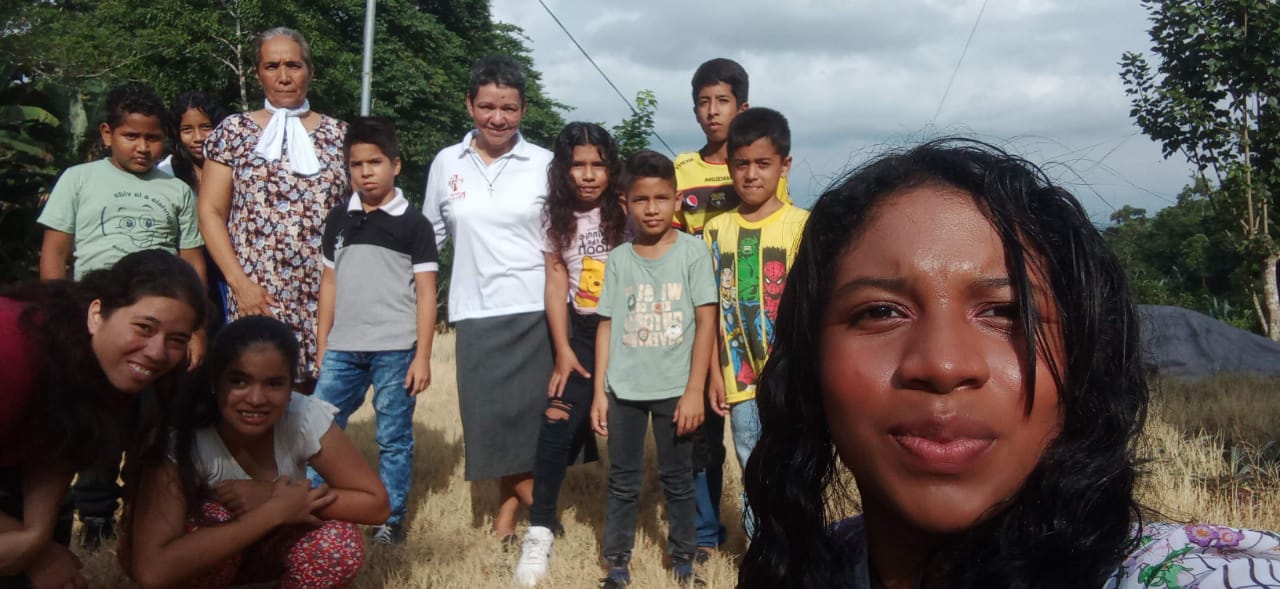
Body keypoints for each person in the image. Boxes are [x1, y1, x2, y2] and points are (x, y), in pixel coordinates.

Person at [737, 139, 1280, 589]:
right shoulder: (806, 568)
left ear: (1083, 360)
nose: (943, 365)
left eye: (1005, 312)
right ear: (810, 362)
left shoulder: (1189, 575)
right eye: (881, 311)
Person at [36, 82, 207, 549]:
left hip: (162, 330)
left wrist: (196, 329)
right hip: (98, 326)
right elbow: (55, 254)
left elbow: (192, 261)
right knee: (98, 422)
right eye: (132, 136)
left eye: (153, 138)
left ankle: (145, 513)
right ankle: (95, 515)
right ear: (108, 133)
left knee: (154, 423)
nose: (143, 147)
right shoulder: (79, 179)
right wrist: (58, 315)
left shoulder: (176, 190)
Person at [121, 316, 390, 589]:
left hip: (270, 553)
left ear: (291, 389)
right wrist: (273, 510)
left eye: (274, 384)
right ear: (214, 383)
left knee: (339, 541)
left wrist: (271, 495)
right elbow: (152, 571)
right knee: (211, 518)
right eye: (239, 382)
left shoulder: (303, 416)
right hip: (205, 563)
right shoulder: (181, 439)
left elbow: (376, 504)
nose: (256, 399)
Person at [0, 250, 206, 588]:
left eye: (177, 339)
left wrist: (36, 535)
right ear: (97, 314)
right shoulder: (12, 353)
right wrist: (38, 554)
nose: (156, 352)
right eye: (144, 327)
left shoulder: (112, 366)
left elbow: (61, 444)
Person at [422, 54, 554, 541]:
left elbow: (563, 237)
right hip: (475, 310)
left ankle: (507, 521)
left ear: (523, 109)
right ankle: (545, 514)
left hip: (536, 310)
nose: (498, 118)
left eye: (509, 108)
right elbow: (429, 239)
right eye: (487, 107)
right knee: (489, 423)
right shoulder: (446, 162)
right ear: (469, 105)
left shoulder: (545, 163)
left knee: (527, 426)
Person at [672, 58, 792, 556]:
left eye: (722, 101)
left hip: (772, 350)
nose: (712, 111)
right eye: (703, 102)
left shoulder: (783, 198)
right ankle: (718, 538)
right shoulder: (686, 178)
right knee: (713, 443)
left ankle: (785, 541)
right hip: (713, 342)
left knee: (775, 449)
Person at [590, 150, 717, 588]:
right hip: (624, 389)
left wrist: (695, 390)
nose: (651, 208)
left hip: (676, 388)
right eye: (641, 199)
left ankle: (684, 562)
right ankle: (617, 565)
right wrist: (599, 392)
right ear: (625, 203)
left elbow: (706, 323)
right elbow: (606, 325)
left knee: (678, 479)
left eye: (661, 198)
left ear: (676, 200)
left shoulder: (693, 253)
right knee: (623, 480)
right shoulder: (619, 259)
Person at [199, 26, 349, 392]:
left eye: (293, 65)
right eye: (272, 66)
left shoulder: (340, 136)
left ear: (310, 71)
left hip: (324, 296)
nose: (283, 76)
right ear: (258, 74)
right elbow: (210, 212)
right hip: (256, 294)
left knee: (318, 402)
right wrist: (240, 284)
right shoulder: (233, 132)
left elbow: (358, 216)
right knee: (254, 392)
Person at [310, 116, 437, 546]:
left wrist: (422, 356)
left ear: (395, 165)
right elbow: (329, 283)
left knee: (393, 438)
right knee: (316, 429)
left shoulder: (414, 224)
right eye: (356, 164)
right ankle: (309, 508)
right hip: (342, 347)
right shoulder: (338, 218)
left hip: (395, 349)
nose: (366, 172)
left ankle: (391, 518)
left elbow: (426, 293)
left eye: (375, 162)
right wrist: (323, 343)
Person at [512, 122, 629, 586]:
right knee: (557, 420)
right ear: (562, 169)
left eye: (598, 164)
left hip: (631, 330)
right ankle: (540, 528)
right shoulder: (554, 216)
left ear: (611, 168)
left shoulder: (627, 208)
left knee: (634, 428)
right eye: (578, 165)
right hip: (581, 332)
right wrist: (562, 349)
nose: (588, 174)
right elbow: (556, 279)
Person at [703, 107, 806, 542]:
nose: (751, 175)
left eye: (763, 163)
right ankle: (763, 556)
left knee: (796, 467)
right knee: (753, 466)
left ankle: (800, 551)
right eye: (741, 164)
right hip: (739, 380)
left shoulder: (803, 225)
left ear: (785, 165)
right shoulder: (715, 230)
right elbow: (708, 308)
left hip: (793, 378)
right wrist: (713, 373)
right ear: (729, 167)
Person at [162, 91, 232, 334]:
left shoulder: (234, 167)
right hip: (188, 264)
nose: (198, 137)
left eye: (206, 127)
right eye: (187, 130)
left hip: (228, 264)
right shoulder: (167, 173)